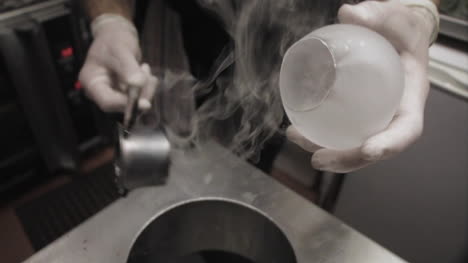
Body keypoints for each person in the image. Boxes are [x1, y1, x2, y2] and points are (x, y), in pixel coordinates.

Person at [79, 0, 440, 173]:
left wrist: (418, 9)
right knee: (171, 134)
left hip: (314, 61)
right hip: (190, 31)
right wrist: (110, 20)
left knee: (252, 157)